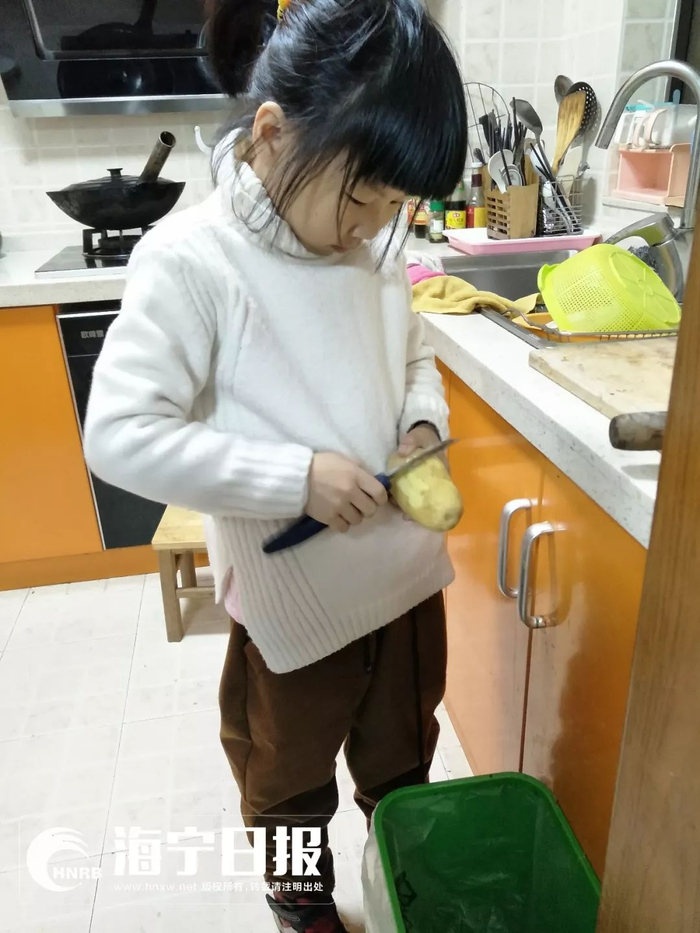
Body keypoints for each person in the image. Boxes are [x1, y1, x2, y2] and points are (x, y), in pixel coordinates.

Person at [84, 0, 467, 929]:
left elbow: (412, 351)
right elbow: (119, 434)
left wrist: (421, 426)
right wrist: (297, 479)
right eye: (362, 198)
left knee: (402, 762)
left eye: (396, 206)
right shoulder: (192, 259)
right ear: (272, 133)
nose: (375, 226)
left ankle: (405, 876)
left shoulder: (373, 241)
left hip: (407, 582)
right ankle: (303, 908)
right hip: (296, 609)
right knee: (287, 785)